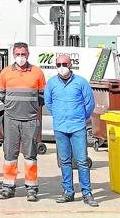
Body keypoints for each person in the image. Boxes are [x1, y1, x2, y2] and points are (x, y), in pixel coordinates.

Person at [45, 55, 98, 207]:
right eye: (58, 64)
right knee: (64, 161)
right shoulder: (52, 83)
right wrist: (59, 114)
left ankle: (87, 193)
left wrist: (80, 117)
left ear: (70, 65)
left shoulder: (81, 82)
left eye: (64, 64)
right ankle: (68, 192)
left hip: (78, 128)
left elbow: (89, 103)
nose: (61, 66)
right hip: (60, 128)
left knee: (82, 161)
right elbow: (48, 103)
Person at [0, 42, 46, 202]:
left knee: (30, 156)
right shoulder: (5, 73)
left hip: (30, 120)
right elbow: (1, 94)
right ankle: (8, 187)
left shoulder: (37, 73)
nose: (20, 57)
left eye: (23, 54)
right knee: (9, 155)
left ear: (28, 54)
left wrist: (32, 113)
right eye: (17, 54)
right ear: (13, 54)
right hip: (10, 119)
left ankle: (31, 189)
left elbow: (41, 97)